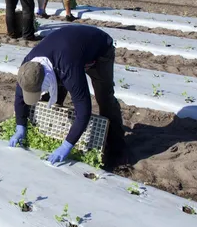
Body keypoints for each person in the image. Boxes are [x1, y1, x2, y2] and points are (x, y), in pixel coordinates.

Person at [9, 24, 125, 166]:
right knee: (53, 98)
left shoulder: (68, 69)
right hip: (68, 50)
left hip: (99, 50)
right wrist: (20, 126)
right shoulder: (28, 67)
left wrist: (67, 146)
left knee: (104, 97)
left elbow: (83, 111)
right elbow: (20, 96)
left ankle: (117, 147)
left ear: (47, 79)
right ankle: (56, 131)